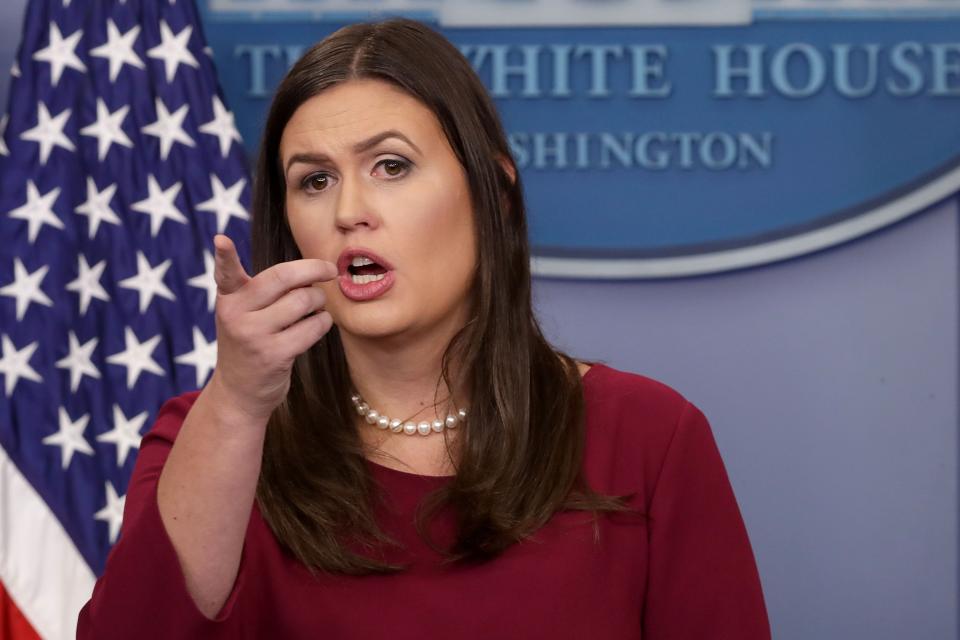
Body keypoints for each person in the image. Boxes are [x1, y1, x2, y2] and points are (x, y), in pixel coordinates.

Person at [77, 18, 770, 639]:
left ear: (494, 196)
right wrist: (235, 406)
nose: (350, 210)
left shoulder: (647, 437)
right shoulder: (212, 434)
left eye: (391, 166)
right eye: (314, 180)